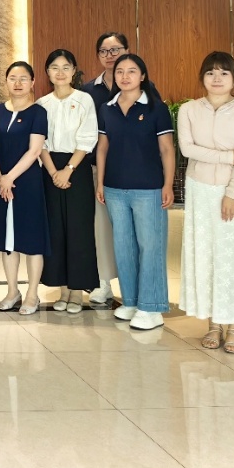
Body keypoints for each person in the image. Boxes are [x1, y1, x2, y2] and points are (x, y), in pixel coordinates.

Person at [177, 51, 234, 353]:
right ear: (202, 77)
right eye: (210, 73)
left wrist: (232, 192)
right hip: (200, 189)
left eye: (223, 73)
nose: (216, 78)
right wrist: (228, 156)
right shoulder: (189, 110)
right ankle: (214, 325)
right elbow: (187, 149)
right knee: (207, 255)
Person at [95, 53, 174, 331]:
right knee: (124, 246)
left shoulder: (156, 108)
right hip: (115, 188)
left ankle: (152, 307)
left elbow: (167, 149)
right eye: (120, 71)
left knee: (150, 246)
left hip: (148, 188)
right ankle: (130, 301)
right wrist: (100, 183)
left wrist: (168, 184)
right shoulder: (107, 108)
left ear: (142, 76)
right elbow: (102, 148)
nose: (125, 76)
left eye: (131, 71)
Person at [38, 49, 99, 313]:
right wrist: (54, 172)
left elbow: (88, 138)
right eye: (54, 67)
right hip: (50, 168)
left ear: (74, 71)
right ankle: (62, 290)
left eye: (66, 67)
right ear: (47, 72)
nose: (60, 72)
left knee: (78, 230)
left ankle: (77, 292)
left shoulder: (84, 100)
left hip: (78, 168)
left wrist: (68, 170)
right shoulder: (41, 104)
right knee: (55, 230)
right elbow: (39, 142)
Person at [0, 62, 49, 315]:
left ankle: (32, 294)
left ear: (32, 82)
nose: (18, 83)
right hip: (2, 183)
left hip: (28, 182)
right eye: (13, 78)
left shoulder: (38, 113)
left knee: (32, 239)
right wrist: (0, 177)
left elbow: (35, 151)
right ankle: (13, 291)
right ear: (6, 82)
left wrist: (10, 177)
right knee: (7, 239)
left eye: (24, 78)